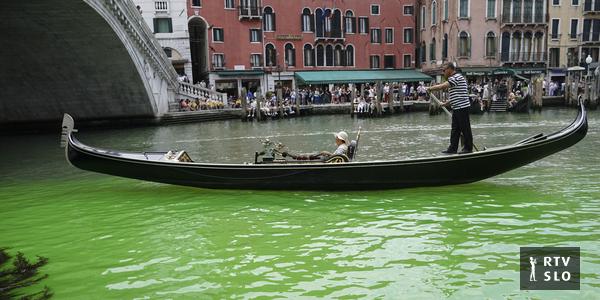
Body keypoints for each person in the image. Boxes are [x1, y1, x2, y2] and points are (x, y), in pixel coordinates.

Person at [426, 62, 473, 154]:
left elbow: (442, 86)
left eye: (444, 70)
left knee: (465, 128)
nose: (443, 72)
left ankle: (468, 148)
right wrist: (445, 103)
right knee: (455, 129)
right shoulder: (455, 78)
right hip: (457, 107)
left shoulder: (456, 77)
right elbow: (456, 96)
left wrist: (430, 88)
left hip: (462, 107)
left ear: (450, 69)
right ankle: (452, 148)